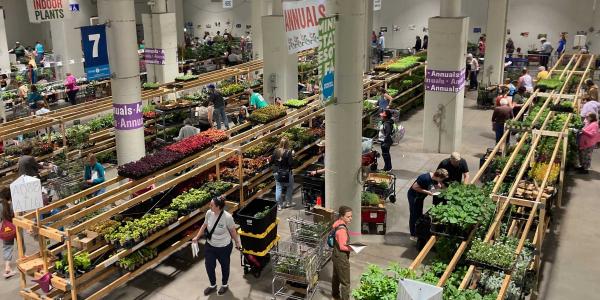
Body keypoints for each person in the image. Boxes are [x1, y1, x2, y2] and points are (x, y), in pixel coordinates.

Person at [191, 196, 242, 296]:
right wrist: (197, 237)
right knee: (209, 265)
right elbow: (204, 225)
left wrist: (237, 242)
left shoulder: (227, 217)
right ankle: (213, 285)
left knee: (224, 266)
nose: (209, 206)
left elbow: (232, 231)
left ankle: (224, 284)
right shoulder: (209, 213)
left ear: (218, 207)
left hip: (224, 247)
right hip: (210, 245)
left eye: (212, 205)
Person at [407, 169, 448, 240]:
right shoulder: (424, 178)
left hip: (420, 197)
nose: (442, 181)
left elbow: (436, 185)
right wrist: (427, 192)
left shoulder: (435, 178)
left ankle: (417, 232)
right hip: (414, 197)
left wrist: (441, 188)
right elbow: (414, 187)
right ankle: (413, 234)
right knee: (414, 215)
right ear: (438, 177)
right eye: (442, 179)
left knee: (419, 214)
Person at [331, 205, 353, 300]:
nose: (350, 218)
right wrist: (353, 248)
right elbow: (342, 246)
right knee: (345, 282)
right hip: (341, 257)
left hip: (335, 255)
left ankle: (335, 295)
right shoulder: (342, 230)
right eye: (348, 217)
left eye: (351, 216)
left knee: (336, 276)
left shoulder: (337, 223)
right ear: (342, 216)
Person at [272, 137, 294, 210]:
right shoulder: (288, 152)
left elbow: (272, 160)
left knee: (278, 188)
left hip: (276, 172)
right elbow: (291, 164)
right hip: (286, 172)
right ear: (288, 144)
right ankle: (288, 203)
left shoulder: (275, 151)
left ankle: (279, 205)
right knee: (289, 187)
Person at [1, 186, 17, 278]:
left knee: (7, 247)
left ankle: (7, 267)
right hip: (15, 226)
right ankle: (24, 259)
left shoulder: (1, 206)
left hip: (6, 229)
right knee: (20, 243)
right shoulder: (13, 205)